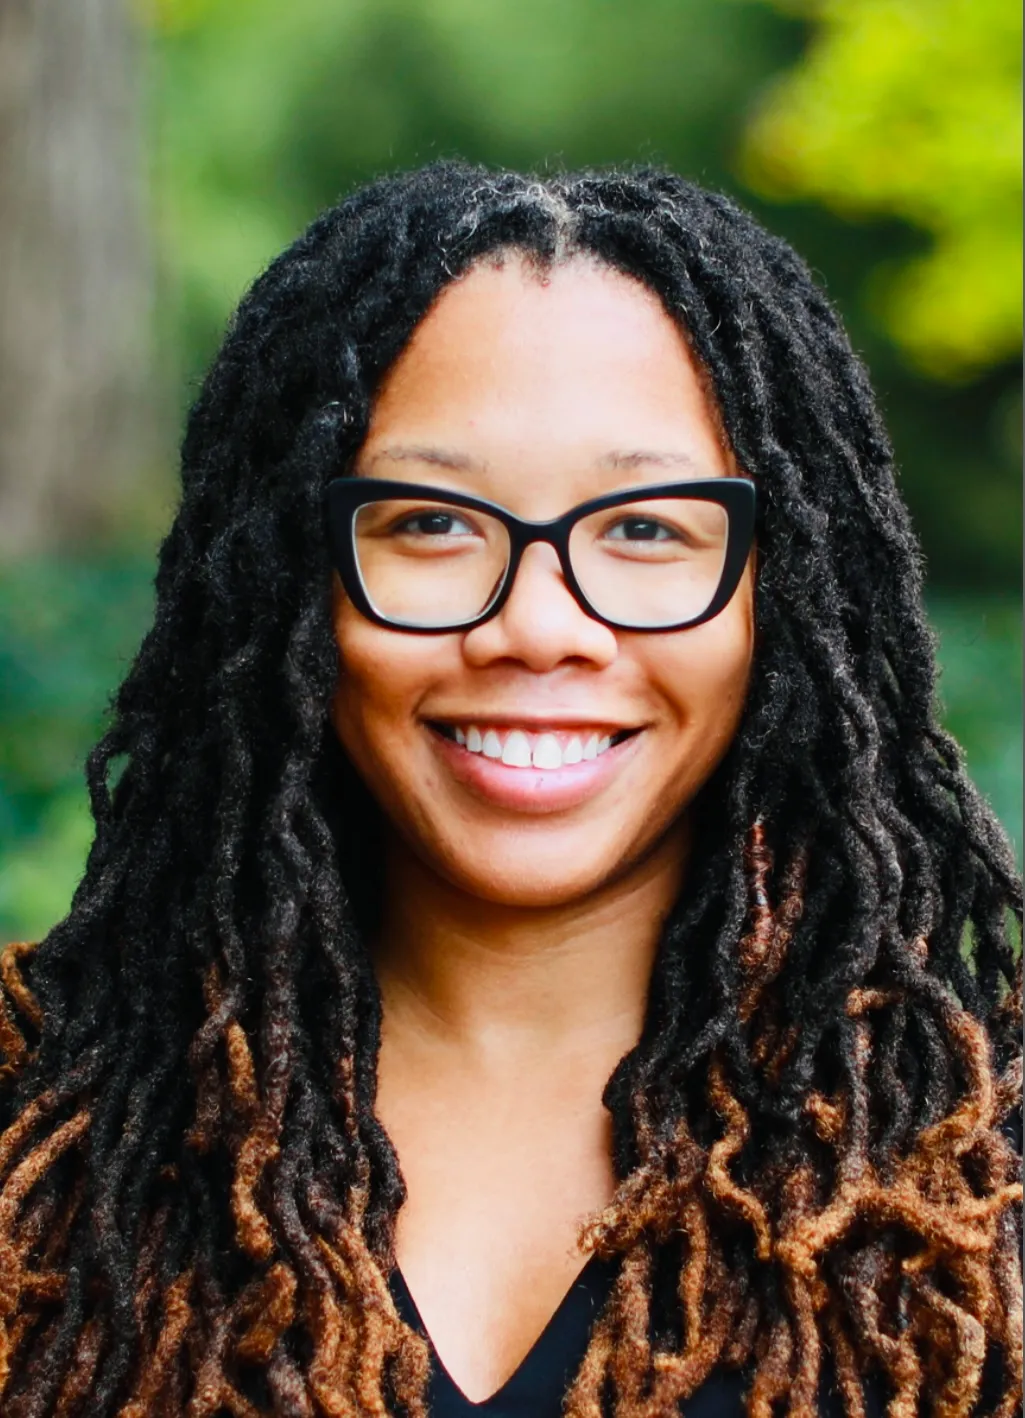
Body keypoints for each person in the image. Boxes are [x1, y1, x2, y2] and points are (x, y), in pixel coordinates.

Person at [0, 163, 1020, 1418]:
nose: (539, 628)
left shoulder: (979, 1168)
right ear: (284, 582)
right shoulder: (35, 1130)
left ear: (791, 597)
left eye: (646, 528)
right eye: (430, 523)